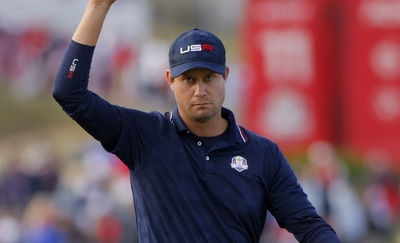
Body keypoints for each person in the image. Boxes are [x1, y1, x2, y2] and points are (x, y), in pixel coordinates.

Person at [52, 0, 341, 242]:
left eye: (209, 78)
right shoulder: (144, 135)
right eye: (188, 79)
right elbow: (69, 94)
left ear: (226, 75)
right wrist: (98, 6)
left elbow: (309, 227)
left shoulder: (263, 154)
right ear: (169, 80)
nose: (200, 90)